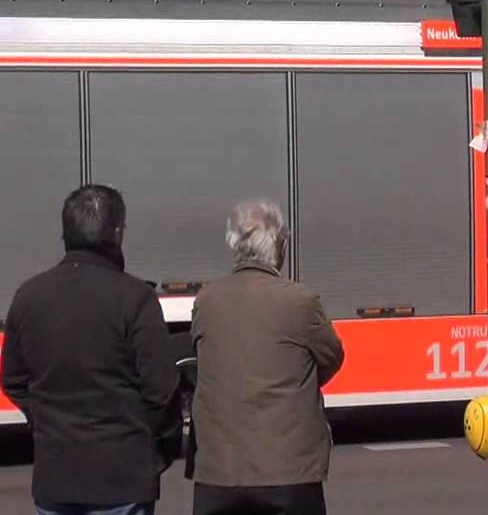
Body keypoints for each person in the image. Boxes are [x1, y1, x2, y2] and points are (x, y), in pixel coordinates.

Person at [1, 184, 181, 515]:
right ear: (116, 233)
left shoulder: (28, 296)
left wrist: (45, 424)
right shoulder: (135, 298)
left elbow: (13, 380)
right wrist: (148, 449)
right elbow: (162, 390)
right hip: (123, 479)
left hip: (55, 480)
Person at [189, 199, 344, 515]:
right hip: (288, 471)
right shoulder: (300, 300)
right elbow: (331, 357)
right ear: (281, 247)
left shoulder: (206, 299)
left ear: (233, 245)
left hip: (218, 472)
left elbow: (204, 361)